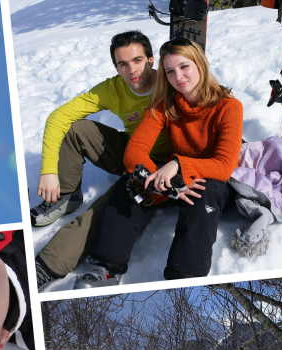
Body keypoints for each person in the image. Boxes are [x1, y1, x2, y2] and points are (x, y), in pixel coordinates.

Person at [76, 38, 243, 286]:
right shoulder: (164, 105)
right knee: (129, 184)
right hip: (173, 181)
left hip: (214, 181)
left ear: (200, 64)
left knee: (203, 191)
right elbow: (135, 151)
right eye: (170, 71)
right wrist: (154, 178)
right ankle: (107, 268)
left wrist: (178, 165)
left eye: (184, 66)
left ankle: (183, 278)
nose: (179, 76)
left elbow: (223, 165)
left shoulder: (229, 107)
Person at [32, 31, 176, 289]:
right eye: (123, 64)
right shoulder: (113, 89)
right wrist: (49, 170)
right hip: (132, 152)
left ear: (152, 60)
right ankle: (67, 195)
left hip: (163, 168)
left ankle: (47, 266)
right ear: (116, 68)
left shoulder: (172, 80)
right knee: (76, 129)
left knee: (108, 206)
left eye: (138, 60)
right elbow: (58, 117)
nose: (132, 70)